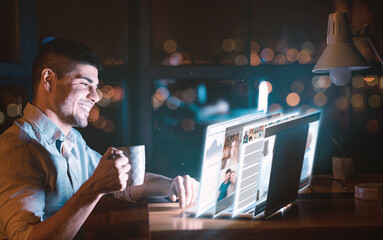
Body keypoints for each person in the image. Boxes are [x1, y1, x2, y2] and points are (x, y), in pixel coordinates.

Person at [0, 39, 198, 240]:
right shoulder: (19, 148)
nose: (95, 96)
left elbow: (125, 182)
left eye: (95, 86)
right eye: (85, 84)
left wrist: (171, 185)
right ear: (48, 79)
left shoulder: (73, 141)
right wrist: (94, 189)